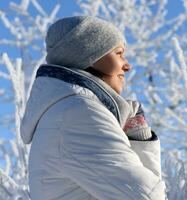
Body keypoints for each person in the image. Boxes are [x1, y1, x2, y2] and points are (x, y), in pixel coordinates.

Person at [20, 15, 166, 200]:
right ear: (90, 56)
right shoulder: (78, 113)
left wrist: (139, 138)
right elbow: (147, 196)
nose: (127, 66)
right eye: (119, 53)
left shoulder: (65, 111)